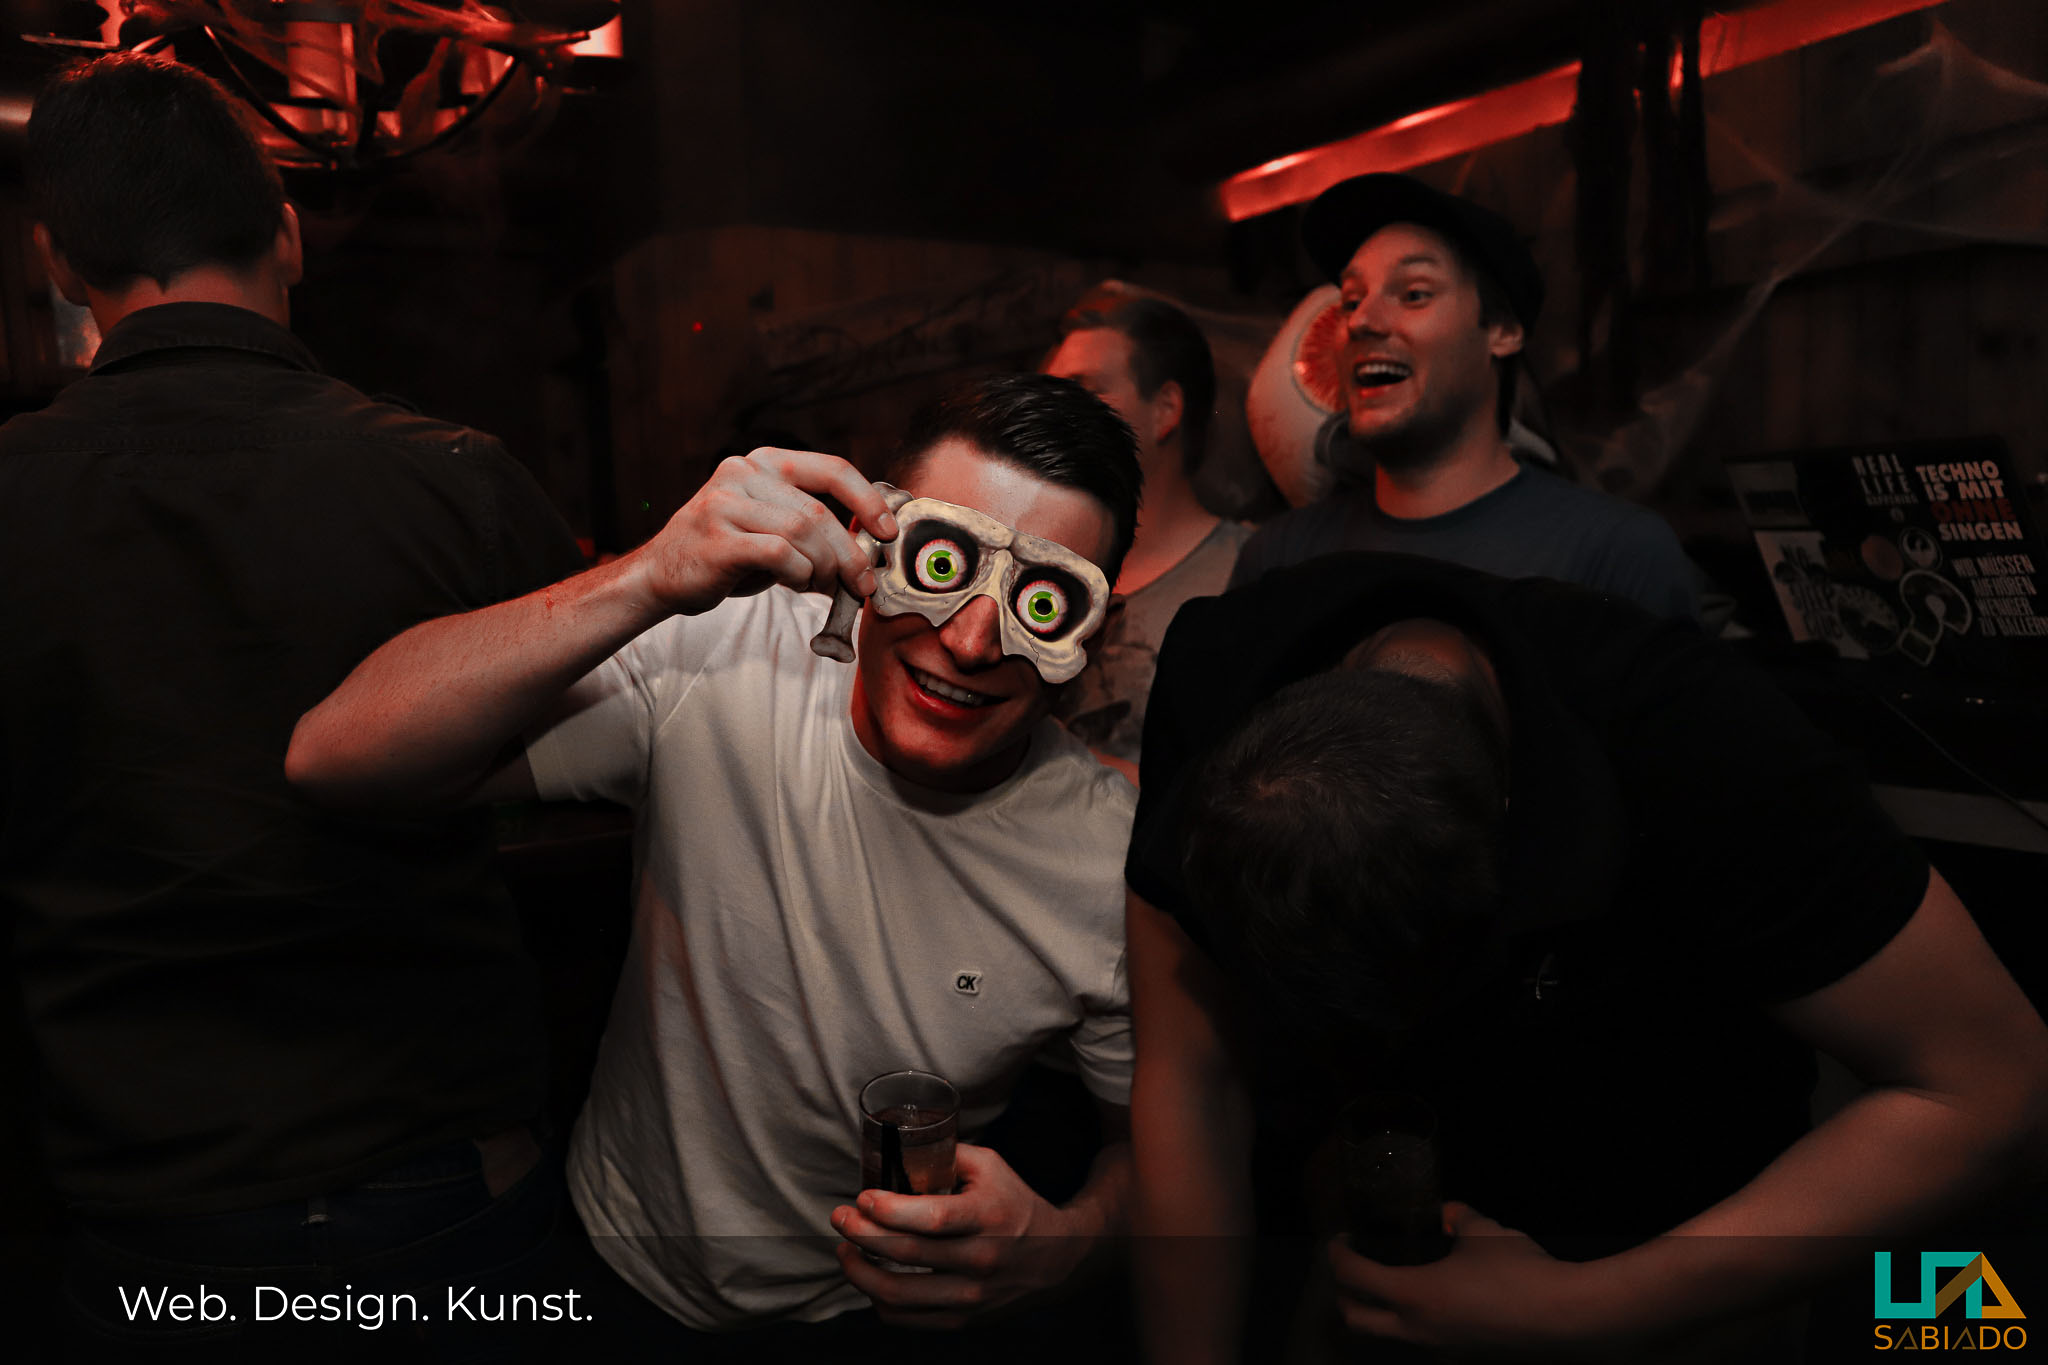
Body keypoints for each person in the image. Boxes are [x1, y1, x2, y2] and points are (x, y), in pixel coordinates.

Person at [287, 373, 1143, 1353]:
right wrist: (648, 576)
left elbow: (1162, 1149)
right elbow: (334, 758)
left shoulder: (1104, 860)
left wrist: (1070, 1246)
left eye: (1042, 600)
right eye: (943, 561)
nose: (974, 636)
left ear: (1092, 635)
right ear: (871, 544)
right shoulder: (723, 654)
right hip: (615, 1261)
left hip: (875, 1313)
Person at [0, 53, 585, 1358]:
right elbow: (606, 766)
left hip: (146, 1195)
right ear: (289, 234)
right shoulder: (458, 481)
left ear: (58, 262)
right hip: (445, 1177)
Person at [1124, 551, 2048, 1361]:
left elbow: (1998, 1089)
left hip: (1680, 1258)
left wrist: (1579, 1310)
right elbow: (1192, 1075)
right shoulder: (1218, 673)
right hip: (1386, 1242)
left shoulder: (1699, 741)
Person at [1229, 173, 1700, 622]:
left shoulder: (1614, 556)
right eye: (1350, 301)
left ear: (1502, 330)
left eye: (1414, 294)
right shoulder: (1279, 560)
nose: (1360, 321)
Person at [1044, 290, 1251, 773]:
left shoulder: (1249, 572)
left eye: (1085, 391)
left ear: (1166, 409)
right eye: (1052, 395)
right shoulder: (1039, 564)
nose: (1054, 415)